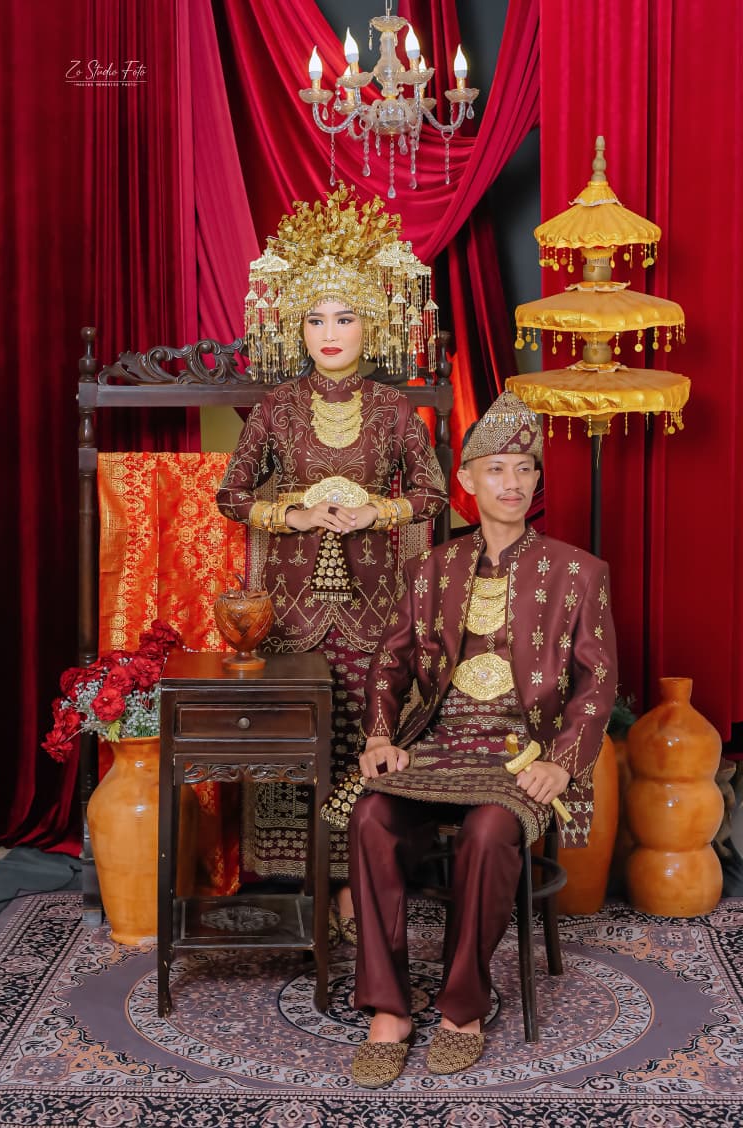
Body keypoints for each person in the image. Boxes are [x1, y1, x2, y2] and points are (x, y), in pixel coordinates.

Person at [347, 391, 618, 1087]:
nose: (512, 482)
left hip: (520, 752)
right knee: (370, 815)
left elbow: (598, 683)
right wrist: (380, 736)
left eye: (524, 469)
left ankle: (462, 1007)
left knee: (491, 830)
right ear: (467, 480)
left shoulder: (579, 572)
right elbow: (388, 663)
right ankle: (388, 1009)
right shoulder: (431, 568)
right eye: (496, 469)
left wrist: (563, 765)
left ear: (536, 480)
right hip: (438, 745)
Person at [216, 185, 448, 941]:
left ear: (370, 324)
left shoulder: (392, 410)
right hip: (289, 609)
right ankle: (303, 878)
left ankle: (359, 885)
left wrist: (377, 511)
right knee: (297, 740)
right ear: (296, 327)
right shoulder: (276, 409)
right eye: (315, 319)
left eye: (344, 317)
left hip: (376, 604)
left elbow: (433, 493)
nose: (330, 333)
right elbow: (231, 495)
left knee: (365, 736)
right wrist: (295, 514)